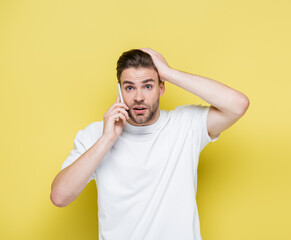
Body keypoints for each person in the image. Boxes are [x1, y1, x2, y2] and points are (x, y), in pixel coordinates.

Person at [50, 48, 250, 240]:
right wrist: (107, 140)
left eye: (148, 86)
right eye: (129, 87)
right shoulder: (96, 134)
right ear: (119, 90)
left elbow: (238, 105)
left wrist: (169, 73)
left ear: (161, 88)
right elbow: (59, 196)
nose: (138, 97)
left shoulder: (185, 125)